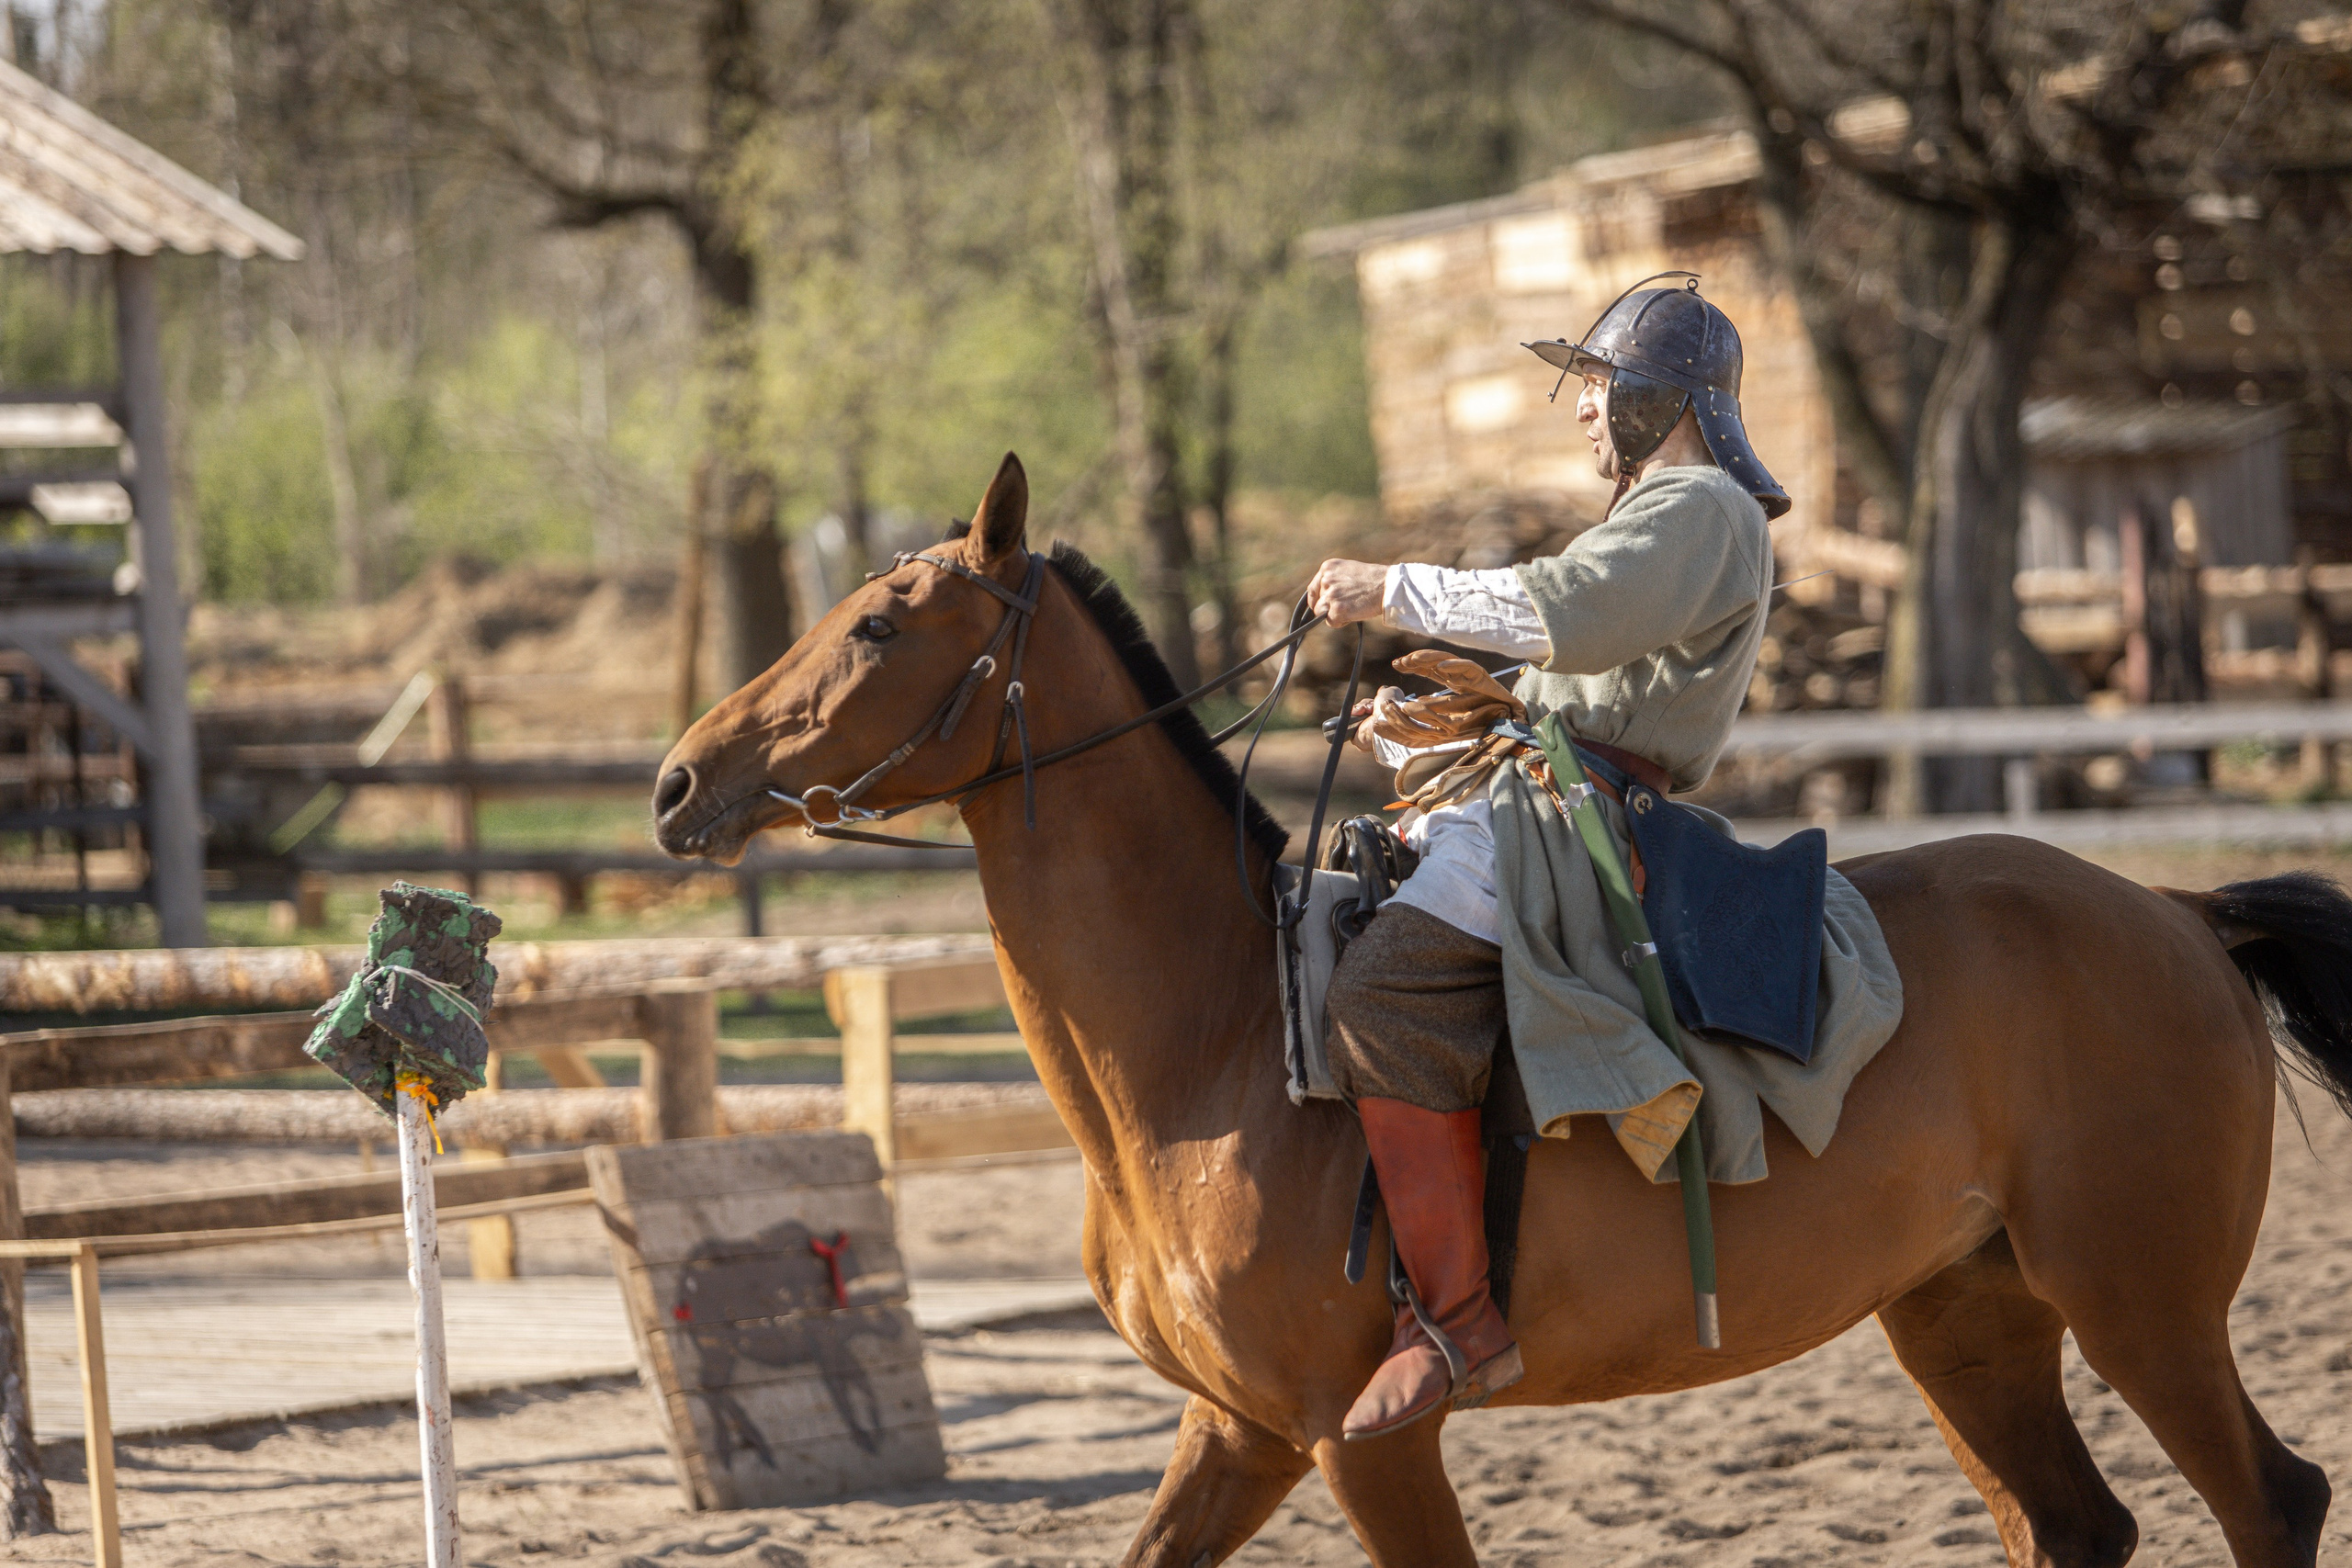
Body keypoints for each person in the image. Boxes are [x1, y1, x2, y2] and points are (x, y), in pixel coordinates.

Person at [1305, 275, 1790, 1440]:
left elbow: (1564, 614)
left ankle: (1454, 1322)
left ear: (1660, 396)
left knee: (1383, 991)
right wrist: (1422, 728)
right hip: (1535, 788)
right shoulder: (1659, 512)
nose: (1580, 407)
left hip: (1575, 821)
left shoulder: (1700, 505)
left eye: (1598, 384)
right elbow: (1553, 682)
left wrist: (1389, 588)